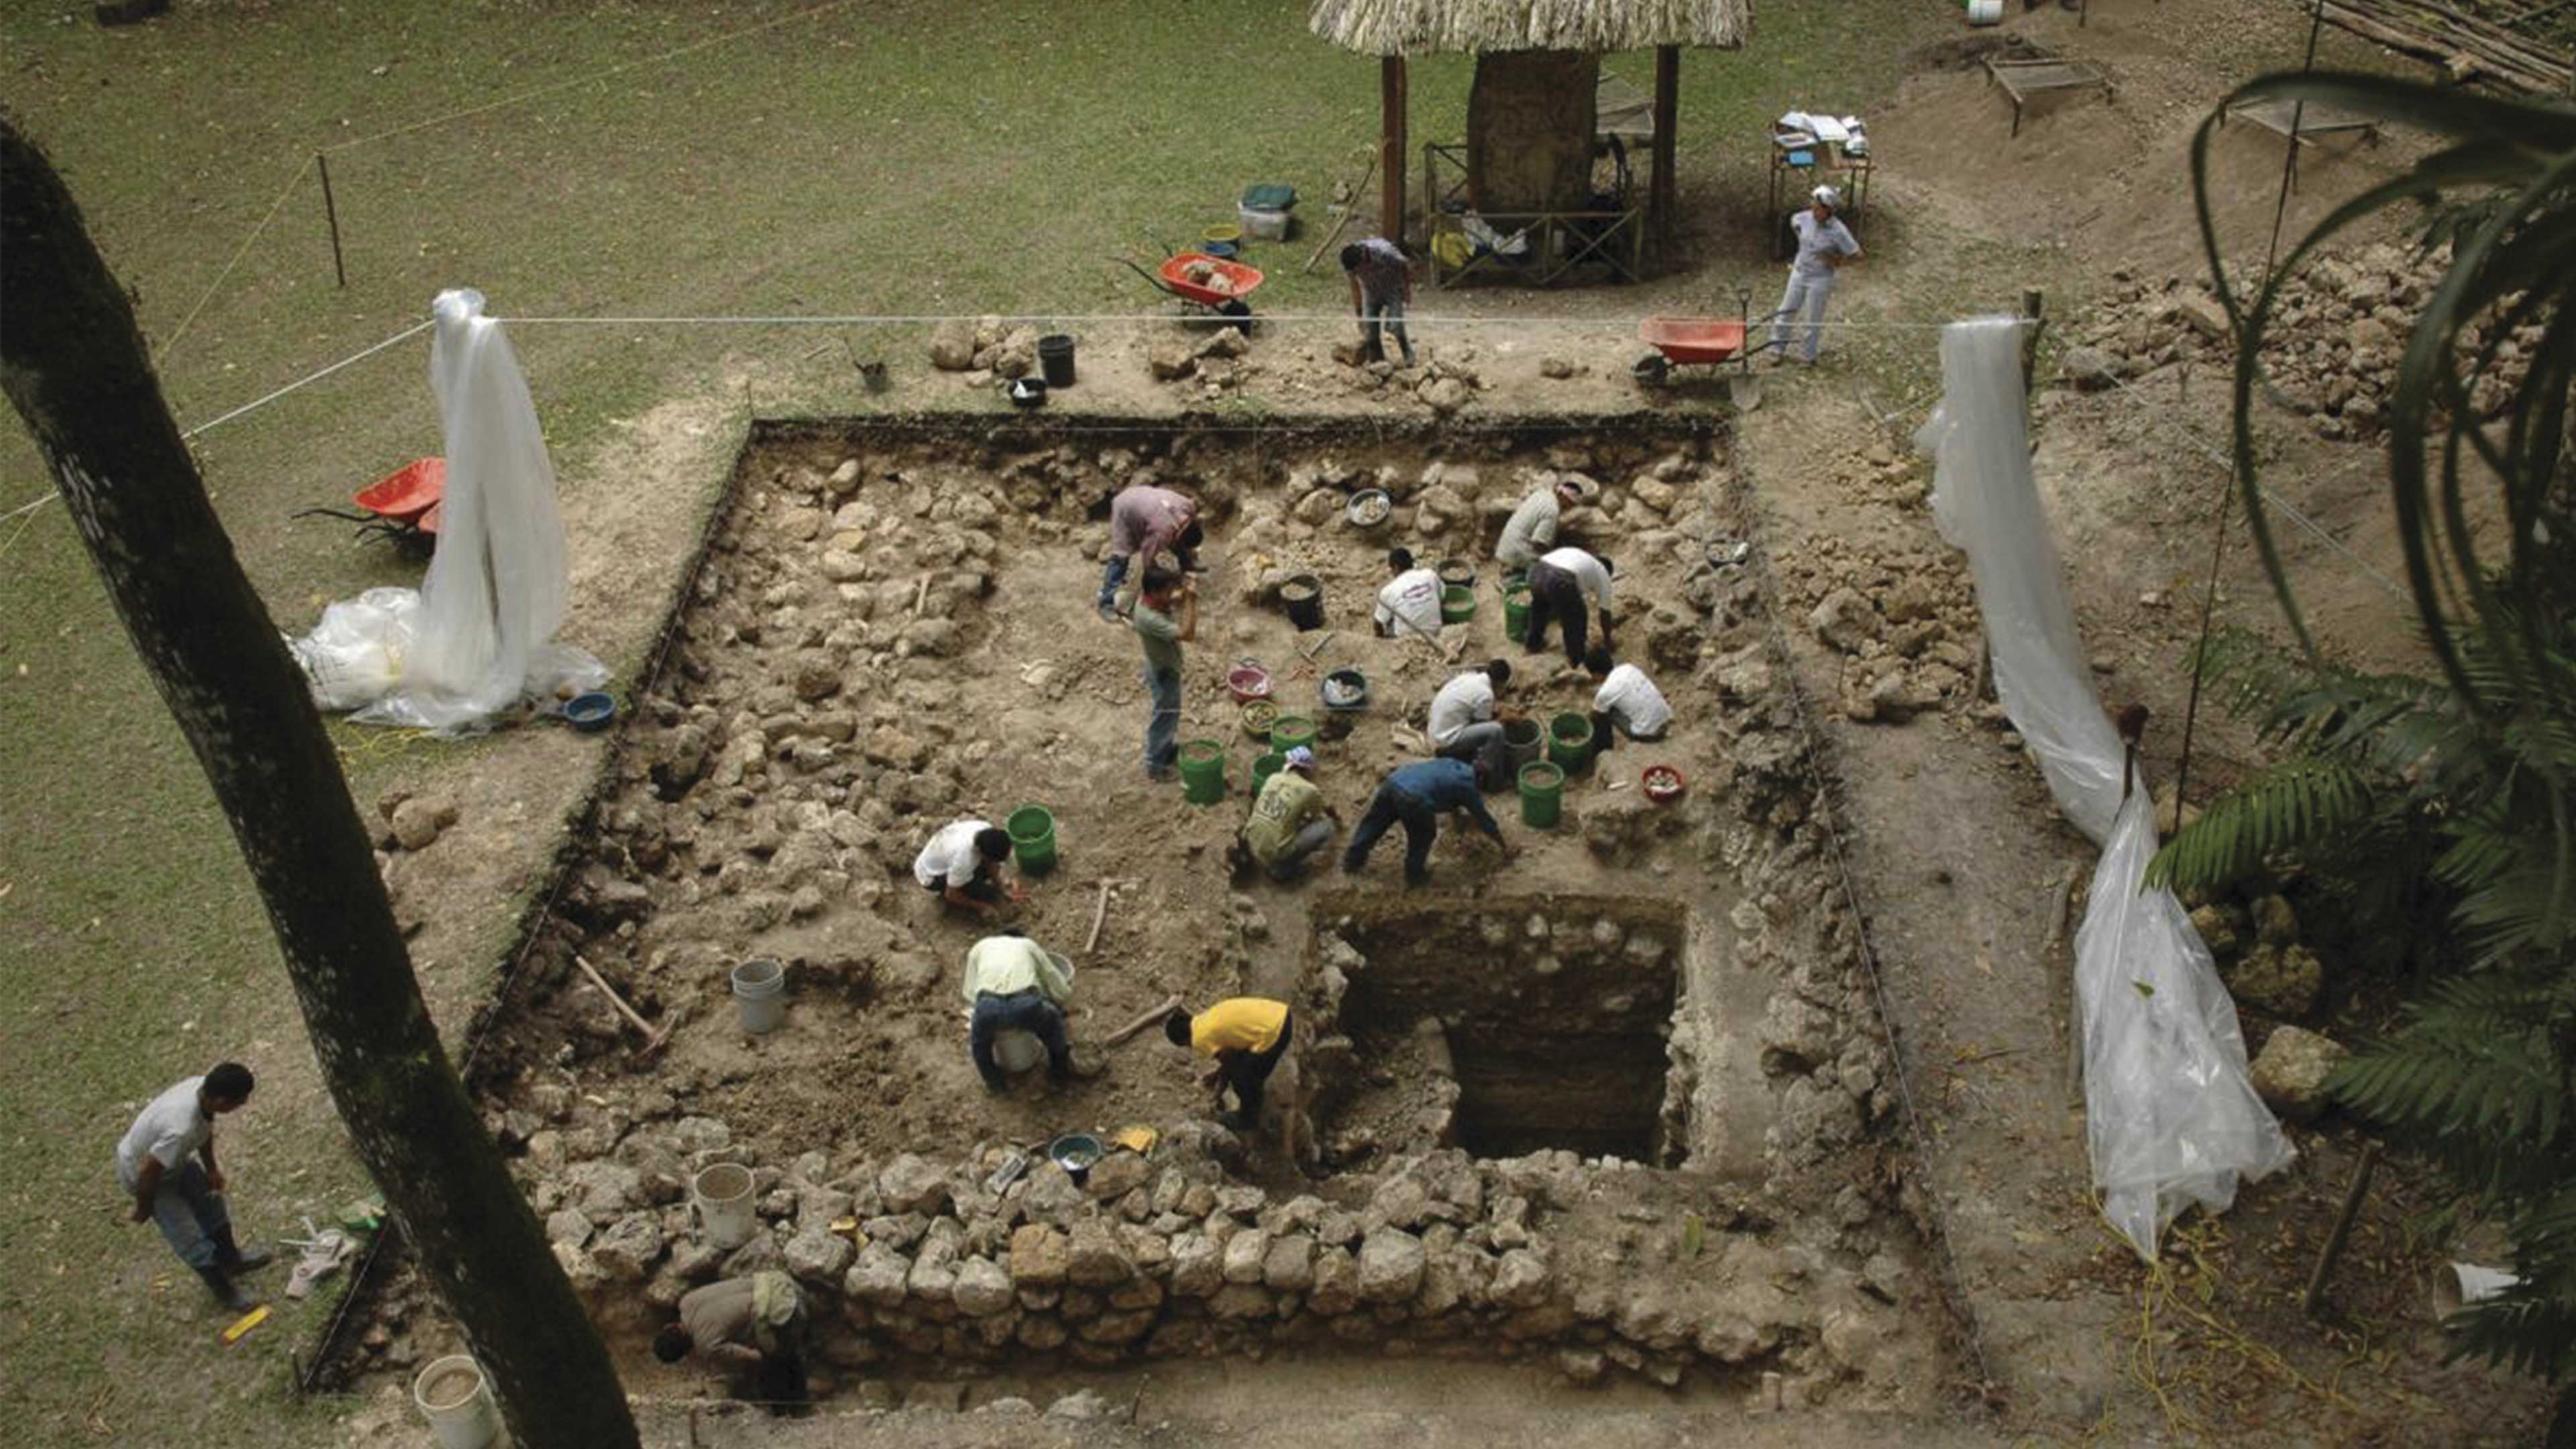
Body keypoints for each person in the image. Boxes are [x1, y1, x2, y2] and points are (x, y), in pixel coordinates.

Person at [116, 1062, 272, 1310]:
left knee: (212, 1204)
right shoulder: (180, 1128)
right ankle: (225, 1292)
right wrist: (144, 1207)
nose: (244, 1104)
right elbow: (149, 1171)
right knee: (188, 1235)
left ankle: (231, 1259)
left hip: (173, 1161)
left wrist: (211, 1168)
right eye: (240, 1101)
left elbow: (205, 1128)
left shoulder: (202, 1090)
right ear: (220, 1101)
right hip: (147, 1177)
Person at [1341, 756, 1513, 887]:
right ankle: (1415, 876)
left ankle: (1352, 860)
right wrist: (1504, 847)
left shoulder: (1452, 763)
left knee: (1375, 823)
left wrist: (1456, 818)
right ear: (1481, 779)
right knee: (1423, 835)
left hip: (1395, 781)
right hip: (1413, 798)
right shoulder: (1468, 787)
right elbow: (1485, 820)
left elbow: (1443, 789)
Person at [653, 1271, 809, 1413]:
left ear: (685, 1353)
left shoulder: (706, 1346)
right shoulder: (687, 1302)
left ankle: (793, 1408)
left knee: (772, 1361)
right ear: (669, 1326)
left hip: (787, 1308)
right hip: (780, 1282)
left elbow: (753, 1356)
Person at [959, 929, 1075, 1091]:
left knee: (979, 1043)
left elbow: (970, 992)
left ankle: (995, 1083)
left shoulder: (980, 947)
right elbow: (1050, 974)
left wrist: (984, 1016)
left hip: (988, 1005)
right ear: (1020, 938)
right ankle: (1059, 1075)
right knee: (1054, 1025)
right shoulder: (1027, 945)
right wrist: (1062, 997)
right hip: (1025, 1004)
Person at [1165, 998, 1293, 1133]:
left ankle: (1248, 1120)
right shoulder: (1203, 1019)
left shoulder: (1199, 1039)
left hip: (1274, 1033)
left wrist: (1219, 1092)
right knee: (1245, 1064)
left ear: (1184, 1041)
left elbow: (1230, 1062)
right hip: (1279, 1013)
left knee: (1243, 1080)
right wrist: (1217, 1075)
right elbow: (1232, 1053)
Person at [1769, 184, 1860, 367]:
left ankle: (1808, 356)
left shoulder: (1838, 230)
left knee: (1813, 319)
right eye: (1813, 206)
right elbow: (1795, 224)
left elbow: (1857, 254)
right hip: (1799, 272)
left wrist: (1836, 260)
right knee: (1785, 311)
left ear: (1829, 211)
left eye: (1819, 209)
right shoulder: (1803, 218)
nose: (1814, 211)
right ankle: (1776, 348)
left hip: (1820, 279)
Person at [1097, 484, 1203, 621]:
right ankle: (1105, 603)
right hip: (1124, 507)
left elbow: (1179, 534)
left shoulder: (1188, 506)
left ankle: (1187, 564)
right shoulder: (1161, 532)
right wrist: (1156, 584)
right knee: (1121, 557)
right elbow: (1147, 559)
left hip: (1140, 494)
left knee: (1175, 542)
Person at [1132, 567, 1197, 781]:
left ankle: (1165, 749)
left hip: (1161, 665)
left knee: (1169, 713)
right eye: (1168, 591)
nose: (1172, 595)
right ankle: (1155, 765)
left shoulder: (1149, 600)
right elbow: (1187, 634)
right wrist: (1191, 601)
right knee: (1164, 716)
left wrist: (1183, 592)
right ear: (1155, 592)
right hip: (1164, 672)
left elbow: (1173, 599)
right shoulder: (1149, 618)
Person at [1241, 746, 1338, 881]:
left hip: (1252, 841)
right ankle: (1282, 869)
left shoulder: (1273, 778)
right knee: (1327, 826)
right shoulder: (1309, 790)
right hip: (1275, 852)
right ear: (1307, 770)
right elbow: (1319, 817)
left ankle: (1263, 861)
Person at [1523, 545, 1614, 667]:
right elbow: (1605, 613)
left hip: (1535, 572)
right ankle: (1577, 659)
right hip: (1558, 579)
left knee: (1540, 606)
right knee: (1578, 617)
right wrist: (1608, 641)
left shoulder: (1582, 556)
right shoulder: (1603, 574)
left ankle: (1533, 645)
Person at [914, 818, 1024, 917]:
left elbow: (992, 864)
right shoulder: (964, 859)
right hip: (930, 875)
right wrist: (981, 907)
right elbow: (951, 894)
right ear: (982, 854)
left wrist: (1001, 887)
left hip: (943, 854)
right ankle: (960, 894)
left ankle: (962, 882)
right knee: (984, 893)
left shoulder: (985, 828)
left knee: (987, 876)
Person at [1340, 237, 1416, 366]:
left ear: (1363, 260)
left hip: (1392, 290)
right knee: (1370, 331)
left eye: (1358, 270)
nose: (1357, 272)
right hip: (1370, 292)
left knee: (1396, 326)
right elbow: (1354, 285)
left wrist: (1407, 291)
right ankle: (1378, 362)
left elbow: (1404, 266)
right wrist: (1359, 312)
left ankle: (1408, 354)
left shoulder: (1385, 252)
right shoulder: (1351, 262)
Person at [1585, 646, 1672, 752]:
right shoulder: (1628, 667)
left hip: (1649, 733)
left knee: (1602, 714)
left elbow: (1595, 714)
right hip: (1666, 720)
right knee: (1614, 702)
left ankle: (1604, 749)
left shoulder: (1605, 693)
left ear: (1596, 674)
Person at [1427, 659, 1515, 763]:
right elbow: (1482, 727)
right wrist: (1502, 719)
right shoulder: (1486, 694)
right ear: (1500, 683)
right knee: (1497, 731)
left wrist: (1497, 711)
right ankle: (1488, 771)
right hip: (1445, 741)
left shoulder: (1469, 677)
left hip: (1434, 730)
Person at [1495, 477, 1583, 571]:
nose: (1569, 508)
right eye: (1570, 504)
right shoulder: (1552, 510)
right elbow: (1539, 543)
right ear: (1564, 497)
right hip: (1517, 553)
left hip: (1505, 548)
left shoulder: (1541, 494)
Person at [1373, 547, 1443, 642]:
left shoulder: (1389, 590)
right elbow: (1441, 595)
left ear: (1396, 567)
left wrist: (1379, 640)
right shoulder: (1430, 575)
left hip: (1407, 640)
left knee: (1388, 618)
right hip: (1435, 632)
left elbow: (1378, 624)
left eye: (1391, 569)